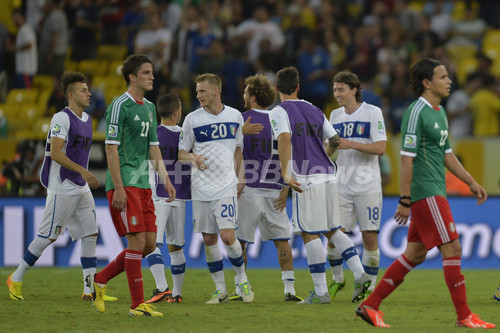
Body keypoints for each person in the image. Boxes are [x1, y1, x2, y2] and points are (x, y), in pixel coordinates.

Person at [356, 58, 496, 329]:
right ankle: (464, 315)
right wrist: (405, 199)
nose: (449, 81)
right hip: (426, 192)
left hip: (434, 190)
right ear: (427, 83)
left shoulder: (439, 111)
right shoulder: (416, 112)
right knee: (453, 248)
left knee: (415, 255)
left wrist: (471, 181)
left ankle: (370, 305)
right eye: (443, 77)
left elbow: (446, 153)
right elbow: (406, 159)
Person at [269, 66, 370, 304]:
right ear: (298, 87)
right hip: (327, 174)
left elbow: (284, 139)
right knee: (332, 229)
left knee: (309, 233)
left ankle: (321, 293)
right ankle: (360, 273)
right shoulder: (314, 109)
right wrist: (322, 156)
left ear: (276, 89)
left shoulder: (278, 111)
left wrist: (285, 173)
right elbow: (335, 140)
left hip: (305, 178)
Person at [86, 54, 176, 317]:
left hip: (144, 184)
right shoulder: (119, 105)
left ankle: (100, 280)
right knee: (136, 242)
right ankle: (137, 305)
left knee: (148, 244)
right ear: (132, 77)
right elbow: (111, 149)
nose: (152, 76)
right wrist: (120, 187)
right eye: (147, 72)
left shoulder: (149, 107)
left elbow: (153, 148)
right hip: (124, 184)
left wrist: (166, 181)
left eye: (152, 72)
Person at [6, 71, 107, 301]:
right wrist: (83, 171)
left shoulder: (87, 120)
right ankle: (16, 277)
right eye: (83, 90)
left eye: (88, 89)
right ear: (71, 95)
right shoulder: (61, 118)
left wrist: (83, 174)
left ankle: (89, 289)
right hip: (62, 186)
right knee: (48, 236)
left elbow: (81, 155)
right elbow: (56, 153)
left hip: (80, 187)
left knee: (90, 234)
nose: (89, 93)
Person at [178, 73, 254, 304]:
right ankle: (220, 290)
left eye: (202, 91)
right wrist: (192, 157)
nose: (198, 95)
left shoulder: (234, 116)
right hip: (200, 188)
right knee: (209, 239)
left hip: (226, 186)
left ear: (215, 92)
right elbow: (180, 152)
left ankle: (241, 279)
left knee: (228, 236)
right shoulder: (192, 119)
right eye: (197, 91)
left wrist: (241, 178)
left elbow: (239, 150)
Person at [230, 74, 302, 302]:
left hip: (248, 188)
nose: (243, 95)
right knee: (282, 239)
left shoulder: (241, 120)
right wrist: (285, 188)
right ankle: (290, 290)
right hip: (274, 188)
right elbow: (287, 153)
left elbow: (230, 151)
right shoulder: (278, 119)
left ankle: (240, 288)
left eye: (245, 91)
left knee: (240, 240)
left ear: (252, 97)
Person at [326, 70, 387, 298]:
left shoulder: (372, 112)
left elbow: (380, 148)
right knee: (334, 237)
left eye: (341, 89)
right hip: (341, 185)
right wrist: (329, 148)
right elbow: (330, 150)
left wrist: (351, 143)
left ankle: (368, 288)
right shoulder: (334, 115)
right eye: (334, 89)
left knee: (369, 237)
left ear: (353, 90)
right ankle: (338, 280)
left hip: (367, 185)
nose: (337, 93)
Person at [145, 94, 190, 304]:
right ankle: (177, 293)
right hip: (181, 196)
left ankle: (162, 288)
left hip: (159, 195)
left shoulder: (152, 134)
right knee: (176, 247)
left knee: (151, 244)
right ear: (176, 111)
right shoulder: (185, 135)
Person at [10, 9, 37, 89]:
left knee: (25, 94)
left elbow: (29, 44)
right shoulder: (22, 29)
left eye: (16, 16)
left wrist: (15, 49)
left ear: (22, 17)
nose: (14, 19)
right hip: (22, 69)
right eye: (13, 17)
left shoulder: (26, 29)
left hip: (26, 69)